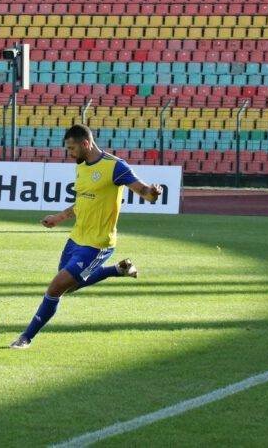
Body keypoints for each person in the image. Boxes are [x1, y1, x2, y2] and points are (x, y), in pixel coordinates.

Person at [10, 124, 162, 349]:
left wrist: (153, 193)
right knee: (67, 287)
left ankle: (26, 337)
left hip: (98, 243)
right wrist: (59, 217)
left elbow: (145, 193)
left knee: (55, 289)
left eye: (72, 148)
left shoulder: (115, 167)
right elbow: (83, 202)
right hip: (76, 238)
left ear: (86, 144)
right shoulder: (81, 167)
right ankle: (117, 270)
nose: (69, 154)